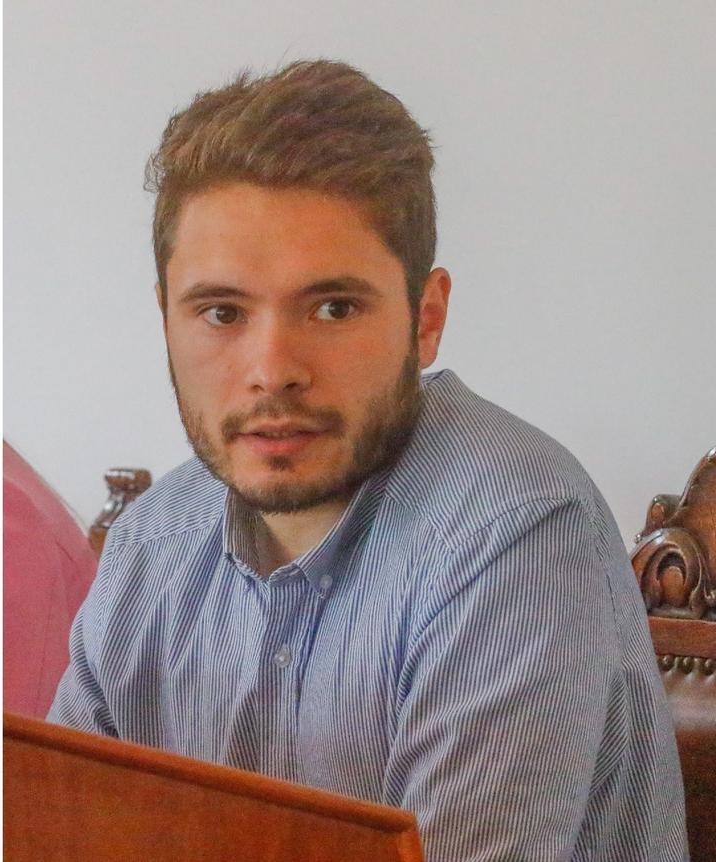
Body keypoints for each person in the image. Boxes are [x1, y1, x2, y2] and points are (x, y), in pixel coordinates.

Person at [47, 59, 686, 861]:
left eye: (333, 307)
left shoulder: (517, 533)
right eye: (222, 312)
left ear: (426, 318)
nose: (272, 367)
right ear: (166, 319)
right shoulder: (149, 546)